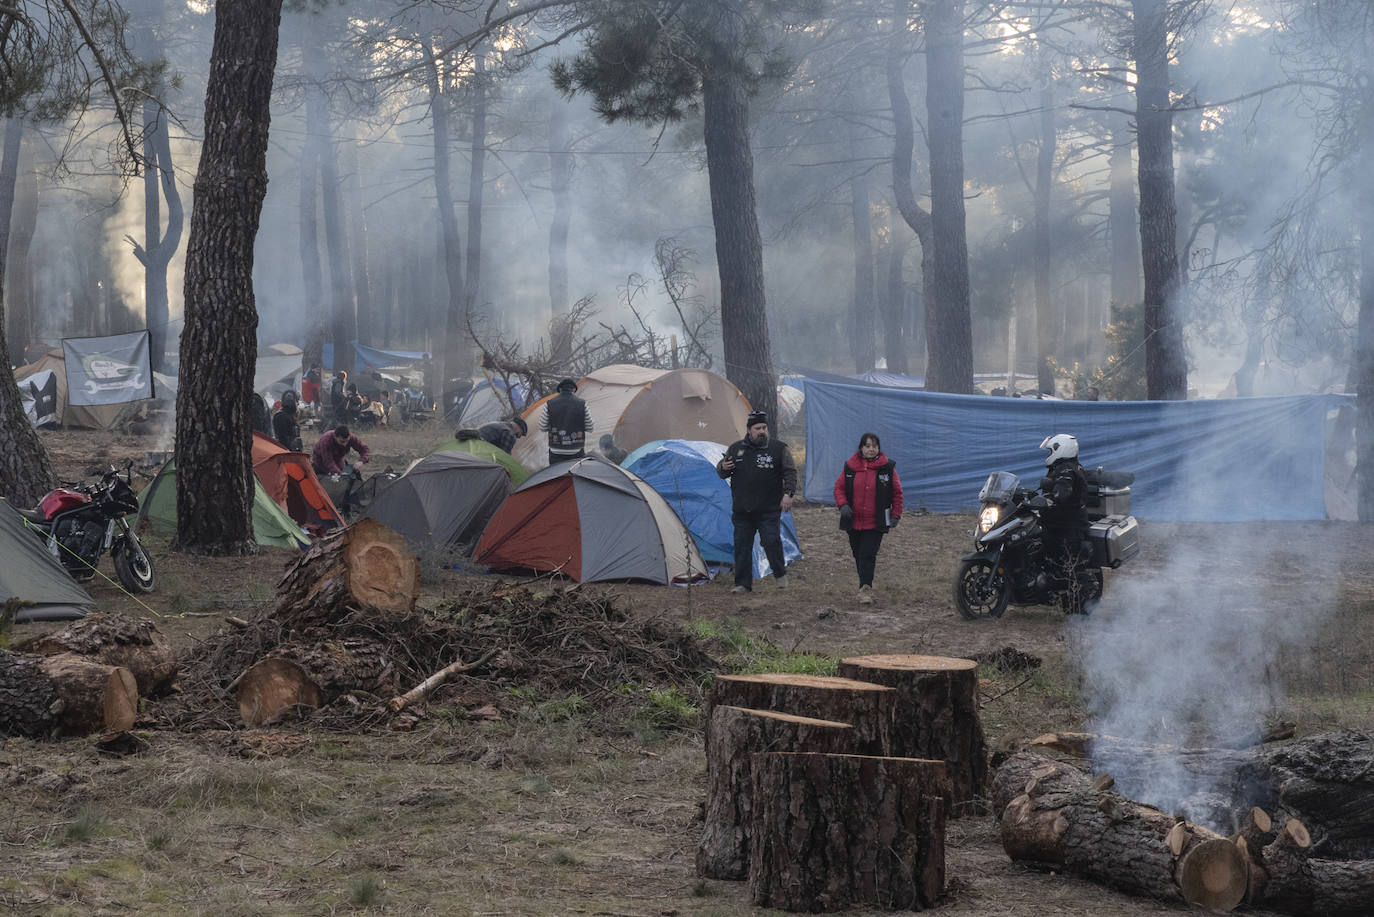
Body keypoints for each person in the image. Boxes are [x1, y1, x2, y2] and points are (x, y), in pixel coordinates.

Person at [716, 410, 797, 593]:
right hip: (742, 510)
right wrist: (723, 467)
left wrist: (788, 494)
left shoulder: (778, 449)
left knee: (771, 541)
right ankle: (742, 584)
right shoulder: (736, 448)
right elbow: (722, 472)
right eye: (757, 428)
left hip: (768, 508)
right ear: (749, 430)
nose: (762, 431)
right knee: (742, 546)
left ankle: (779, 573)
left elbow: (790, 472)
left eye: (764, 428)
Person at [833, 432, 903, 605]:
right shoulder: (850, 466)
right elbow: (839, 488)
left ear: (878, 448)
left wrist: (896, 515)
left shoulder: (888, 467)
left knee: (867, 554)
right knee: (857, 553)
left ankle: (866, 588)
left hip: (876, 520)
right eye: (867, 446)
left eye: (874, 446)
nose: (871, 449)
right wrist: (843, 505)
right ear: (861, 448)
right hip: (853, 520)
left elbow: (897, 493)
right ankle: (863, 584)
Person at [1038, 433, 1090, 593]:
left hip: (1069, 524)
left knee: (1067, 565)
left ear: (1061, 449)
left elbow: (1062, 491)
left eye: (1050, 451)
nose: (1048, 455)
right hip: (1056, 521)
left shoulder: (1067, 470)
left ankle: (1078, 597)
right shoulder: (1062, 467)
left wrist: (1054, 497)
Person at [541, 377, 593, 465]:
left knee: (557, 477)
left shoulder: (549, 403)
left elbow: (542, 427)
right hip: (576, 450)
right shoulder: (582, 404)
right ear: (573, 389)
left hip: (556, 450)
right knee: (574, 477)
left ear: (560, 389)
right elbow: (590, 427)